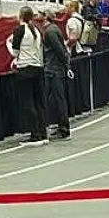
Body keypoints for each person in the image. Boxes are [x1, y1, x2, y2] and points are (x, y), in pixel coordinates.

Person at [7, 6, 47, 146]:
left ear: (20, 16)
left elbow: (15, 53)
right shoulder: (36, 30)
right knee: (38, 102)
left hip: (25, 70)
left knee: (28, 102)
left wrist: (8, 44)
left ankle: (36, 135)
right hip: (37, 68)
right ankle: (42, 133)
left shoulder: (20, 30)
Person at [39, 8, 71, 141]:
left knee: (59, 99)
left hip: (54, 69)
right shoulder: (52, 29)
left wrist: (66, 65)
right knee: (57, 99)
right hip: (54, 68)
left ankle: (64, 129)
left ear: (45, 16)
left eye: (40, 14)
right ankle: (60, 127)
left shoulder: (50, 32)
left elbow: (60, 50)